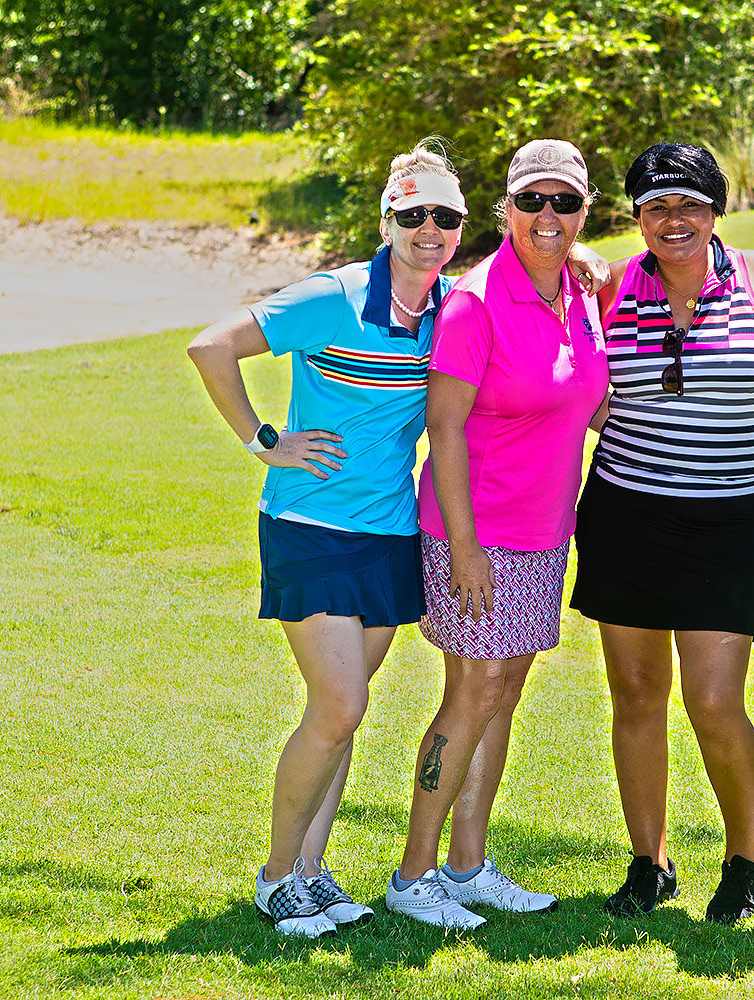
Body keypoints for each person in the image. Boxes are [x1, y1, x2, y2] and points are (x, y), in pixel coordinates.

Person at [185, 142, 469, 938]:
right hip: (310, 528)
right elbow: (211, 346)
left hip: (389, 533)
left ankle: (312, 872)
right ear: (387, 222)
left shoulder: (452, 307)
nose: (429, 230)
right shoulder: (335, 296)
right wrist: (263, 440)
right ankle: (277, 877)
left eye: (445, 217)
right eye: (413, 215)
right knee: (341, 705)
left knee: (342, 712)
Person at [570, 142, 754, 924]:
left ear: (716, 211)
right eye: (657, 206)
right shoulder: (608, 286)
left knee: (713, 699)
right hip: (625, 515)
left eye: (690, 205)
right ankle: (650, 862)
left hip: (727, 521)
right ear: (636, 216)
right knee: (636, 695)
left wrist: (722, 431)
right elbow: (583, 386)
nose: (675, 220)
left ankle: (745, 858)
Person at [386, 139, 610, 929]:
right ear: (506, 208)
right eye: (532, 201)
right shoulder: (476, 302)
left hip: (544, 533)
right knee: (473, 691)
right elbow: (444, 428)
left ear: (585, 210)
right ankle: (413, 876)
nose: (548, 216)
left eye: (565, 202)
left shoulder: (580, 292)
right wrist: (467, 548)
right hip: (476, 535)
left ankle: (467, 866)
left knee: (502, 692)